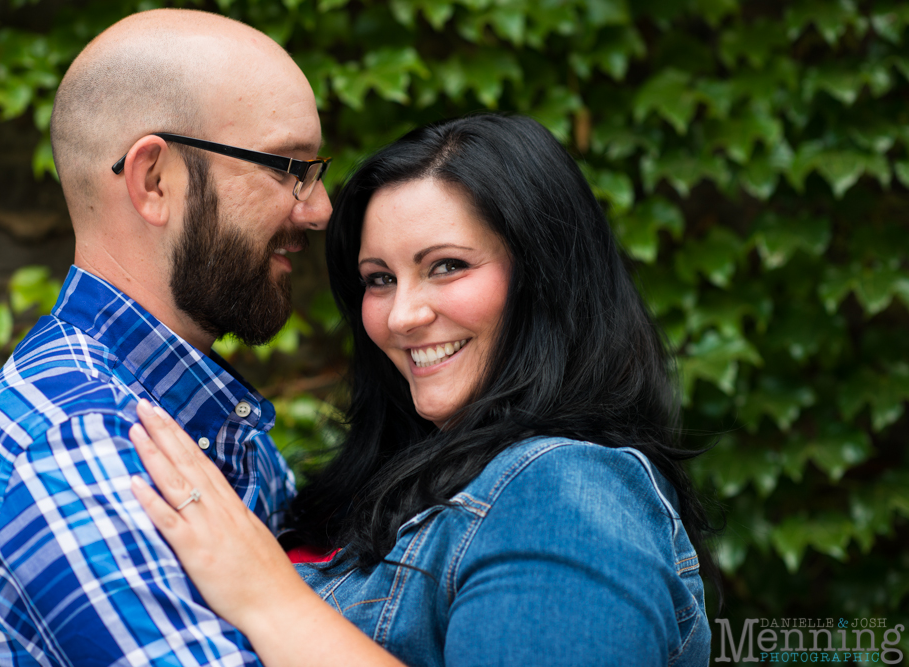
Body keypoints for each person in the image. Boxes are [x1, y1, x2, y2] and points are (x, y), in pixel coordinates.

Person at [127, 114, 716, 666]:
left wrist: (267, 598)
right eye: (379, 279)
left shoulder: (564, 489)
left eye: (447, 266)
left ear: (546, 279)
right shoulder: (398, 491)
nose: (402, 316)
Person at [0, 9, 331, 665]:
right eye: (287, 167)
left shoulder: (200, 428)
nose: (319, 208)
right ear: (154, 180)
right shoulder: (72, 447)